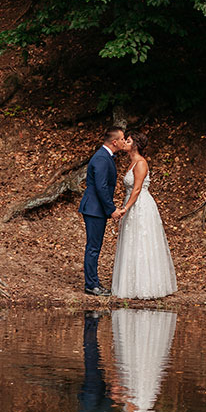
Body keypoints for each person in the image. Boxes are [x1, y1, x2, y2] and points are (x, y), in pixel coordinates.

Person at [111, 131, 177, 299]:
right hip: (132, 203)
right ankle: (131, 283)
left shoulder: (140, 163)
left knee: (142, 240)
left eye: (128, 141)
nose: (124, 143)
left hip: (140, 205)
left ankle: (146, 285)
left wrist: (125, 208)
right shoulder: (132, 162)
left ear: (135, 145)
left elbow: (137, 189)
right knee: (131, 240)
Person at [77, 126, 126, 296]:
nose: (124, 141)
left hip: (97, 209)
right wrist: (111, 209)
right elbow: (101, 186)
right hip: (94, 209)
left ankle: (94, 282)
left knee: (95, 246)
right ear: (115, 142)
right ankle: (91, 285)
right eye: (122, 139)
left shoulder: (105, 157)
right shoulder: (101, 158)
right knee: (93, 247)